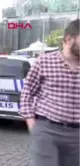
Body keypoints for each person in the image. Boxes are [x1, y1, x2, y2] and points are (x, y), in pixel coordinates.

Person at [20, 19, 80, 166]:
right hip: (47, 130)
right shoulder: (44, 61)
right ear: (68, 39)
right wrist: (32, 124)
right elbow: (26, 93)